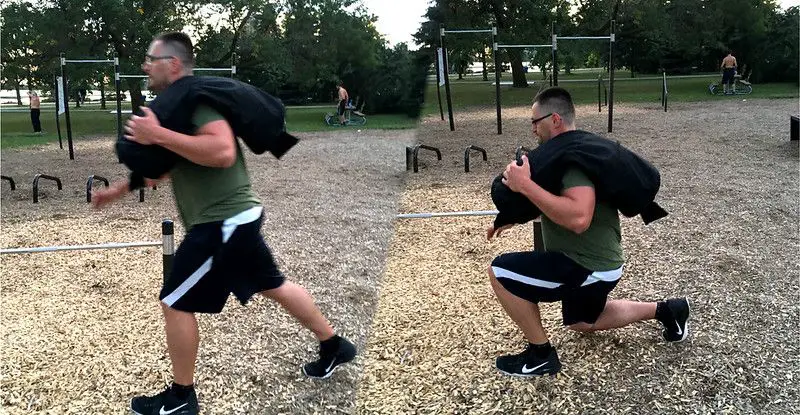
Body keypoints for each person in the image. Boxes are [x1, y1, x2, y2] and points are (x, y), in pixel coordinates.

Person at [91, 32, 356, 415]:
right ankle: (334, 346)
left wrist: (157, 134)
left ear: (174, 63)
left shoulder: (197, 102)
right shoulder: (179, 106)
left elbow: (221, 151)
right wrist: (116, 191)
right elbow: (167, 166)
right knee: (274, 285)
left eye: (151, 59)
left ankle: (181, 399)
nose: (146, 66)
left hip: (223, 221)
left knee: (174, 301)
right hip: (236, 217)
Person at [486, 87, 690, 377]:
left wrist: (524, 185)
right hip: (601, 263)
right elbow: (553, 201)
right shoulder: (569, 155)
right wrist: (509, 218)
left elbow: (579, 217)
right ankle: (668, 310)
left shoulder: (573, 162)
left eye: (535, 121)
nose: (533, 129)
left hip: (586, 263)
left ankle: (541, 355)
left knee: (501, 272)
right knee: (582, 322)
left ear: (555, 119)